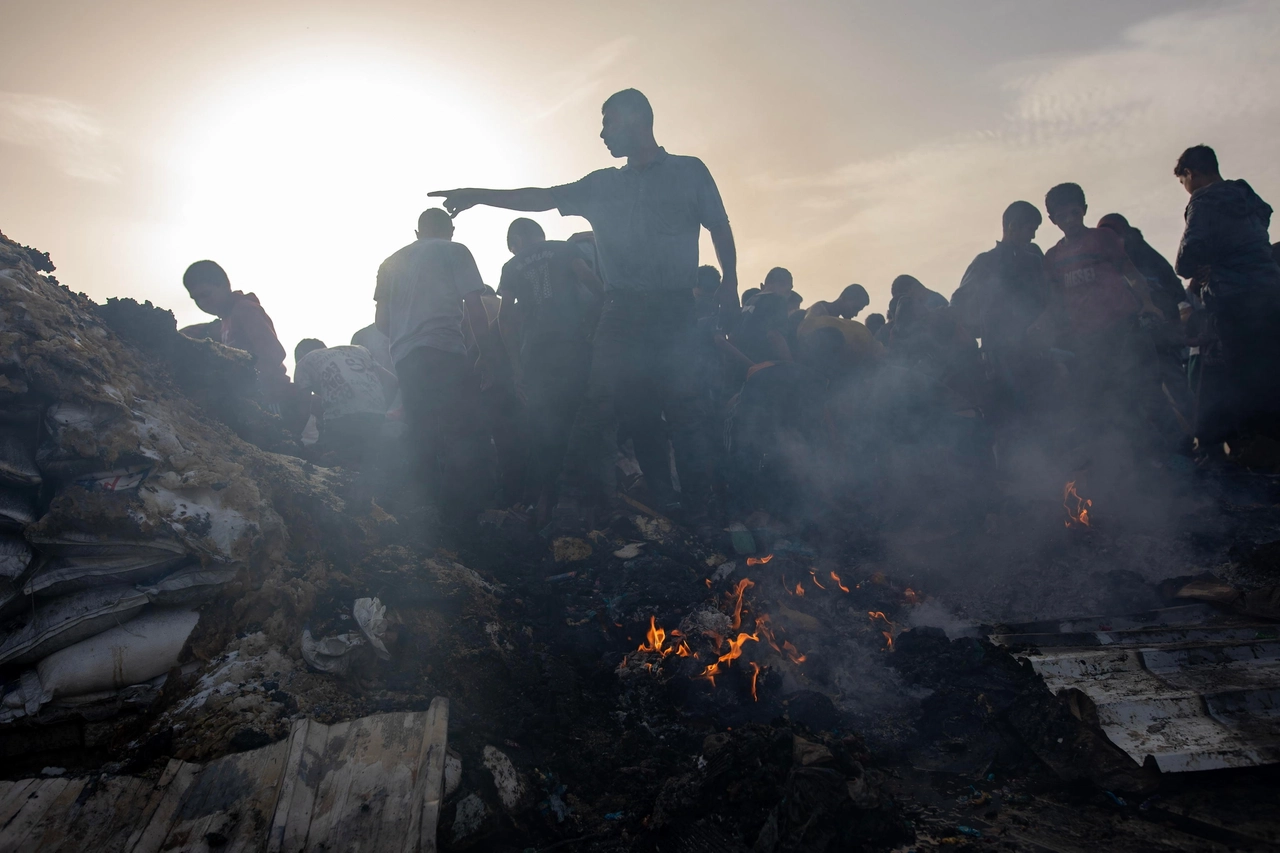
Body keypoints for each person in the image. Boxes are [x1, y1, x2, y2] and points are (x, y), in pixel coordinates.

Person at [430, 88, 738, 530]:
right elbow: (542, 196)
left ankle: (701, 508)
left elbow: (719, 224)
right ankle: (631, 503)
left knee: (686, 407)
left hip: (674, 310)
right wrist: (478, 194)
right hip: (621, 311)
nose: (601, 133)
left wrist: (730, 281)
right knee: (617, 404)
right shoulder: (602, 186)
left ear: (635, 119)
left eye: (607, 122)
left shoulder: (689, 172)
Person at [374, 208, 498, 521]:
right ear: (450, 230)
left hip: (406, 357)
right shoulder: (455, 250)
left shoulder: (390, 262)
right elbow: (474, 306)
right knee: (463, 428)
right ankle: (467, 510)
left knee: (420, 431)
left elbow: (381, 321)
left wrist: (405, 338)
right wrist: (487, 353)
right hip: (445, 349)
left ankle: (426, 510)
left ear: (418, 232)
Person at [1040, 182, 1167, 446]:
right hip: (1088, 341)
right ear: (1053, 220)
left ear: (1084, 210)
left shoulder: (1103, 239)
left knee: (1144, 393)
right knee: (1107, 403)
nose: (1069, 220)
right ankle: (1128, 460)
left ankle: (1171, 454)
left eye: (1074, 213)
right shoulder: (1053, 257)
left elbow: (1131, 273)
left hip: (1124, 330)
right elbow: (1054, 300)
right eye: (1062, 216)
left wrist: (1147, 302)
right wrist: (1040, 325)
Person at [497, 217, 602, 519]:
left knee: (544, 428)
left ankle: (546, 500)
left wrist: (516, 367)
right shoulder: (562, 250)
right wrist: (605, 311)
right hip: (572, 346)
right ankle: (582, 500)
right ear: (540, 234)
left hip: (536, 356)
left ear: (515, 241)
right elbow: (589, 280)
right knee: (579, 420)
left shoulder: (511, 267)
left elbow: (505, 319)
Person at [1173, 145, 1280, 442]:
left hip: (1234, 300)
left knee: (1245, 380)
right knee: (1273, 373)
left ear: (1190, 174)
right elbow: (1265, 213)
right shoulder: (1244, 193)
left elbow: (1186, 261)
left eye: (1184, 182)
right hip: (1270, 291)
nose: (1186, 188)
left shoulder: (1203, 200)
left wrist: (1209, 261)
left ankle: (1260, 453)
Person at [181, 260, 290, 408]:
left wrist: (240, 387)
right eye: (196, 299)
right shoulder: (227, 319)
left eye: (205, 294)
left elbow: (274, 354)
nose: (202, 303)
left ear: (224, 285)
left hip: (276, 399)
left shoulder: (245, 309)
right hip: (257, 400)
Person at [293, 339, 397, 466]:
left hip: (341, 421)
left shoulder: (303, 362)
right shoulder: (357, 350)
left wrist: (293, 436)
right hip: (375, 416)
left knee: (340, 465)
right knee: (370, 461)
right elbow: (392, 382)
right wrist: (381, 410)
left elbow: (303, 409)